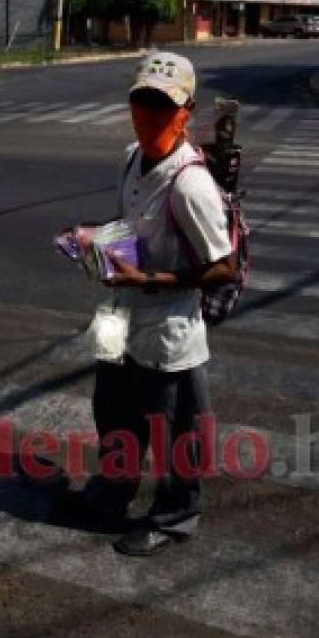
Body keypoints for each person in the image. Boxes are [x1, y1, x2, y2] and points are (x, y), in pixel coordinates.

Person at [80, 51, 235, 557]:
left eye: (161, 106)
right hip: (119, 317)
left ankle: (174, 516)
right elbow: (128, 220)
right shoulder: (131, 156)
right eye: (141, 101)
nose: (148, 115)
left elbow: (223, 267)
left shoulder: (189, 183)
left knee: (174, 431)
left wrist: (148, 278)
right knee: (113, 415)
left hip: (167, 324)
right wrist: (98, 240)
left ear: (185, 112)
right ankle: (111, 493)